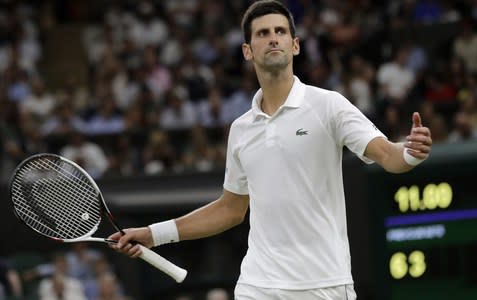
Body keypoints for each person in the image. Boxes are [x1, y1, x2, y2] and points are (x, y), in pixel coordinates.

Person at [109, 1, 432, 299]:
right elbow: (230, 210)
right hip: (258, 285)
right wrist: (154, 234)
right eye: (263, 33)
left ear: (295, 45)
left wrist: (409, 153)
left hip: (324, 283)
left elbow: (387, 156)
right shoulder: (240, 129)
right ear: (248, 51)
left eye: (280, 31)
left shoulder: (329, 106)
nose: (273, 38)